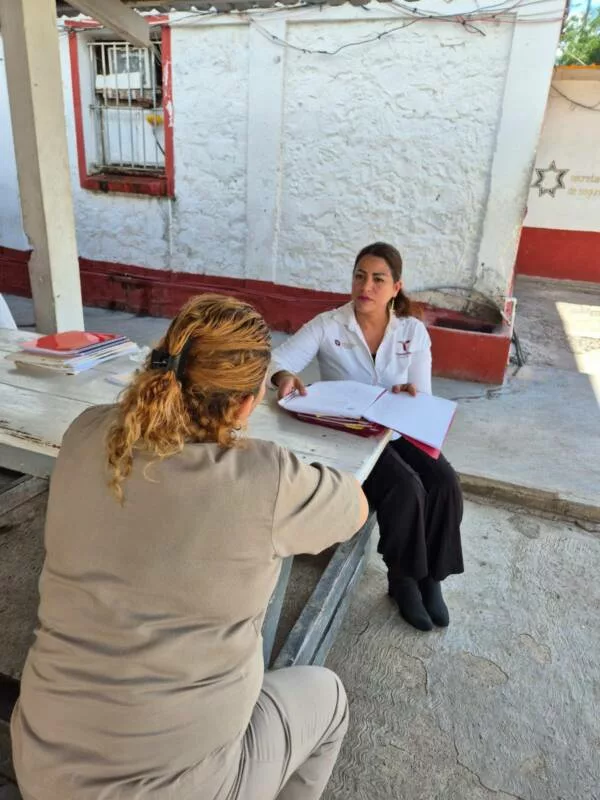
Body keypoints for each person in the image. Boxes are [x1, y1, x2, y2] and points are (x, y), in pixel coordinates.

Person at [11, 294, 369, 800]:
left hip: (43, 764)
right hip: (187, 787)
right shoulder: (267, 477)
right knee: (328, 697)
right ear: (245, 405)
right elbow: (355, 506)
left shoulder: (86, 432)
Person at [270, 242, 464, 632]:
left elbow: (423, 394)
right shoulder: (329, 325)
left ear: (396, 288)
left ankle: (432, 578)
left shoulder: (411, 331)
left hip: (398, 427)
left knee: (445, 483)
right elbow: (278, 360)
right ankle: (403, 579)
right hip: (352, 432)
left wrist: (409, 393)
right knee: (405, 487)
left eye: (378, 279)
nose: (366, 286)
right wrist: (284, 376)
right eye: (360, 276)